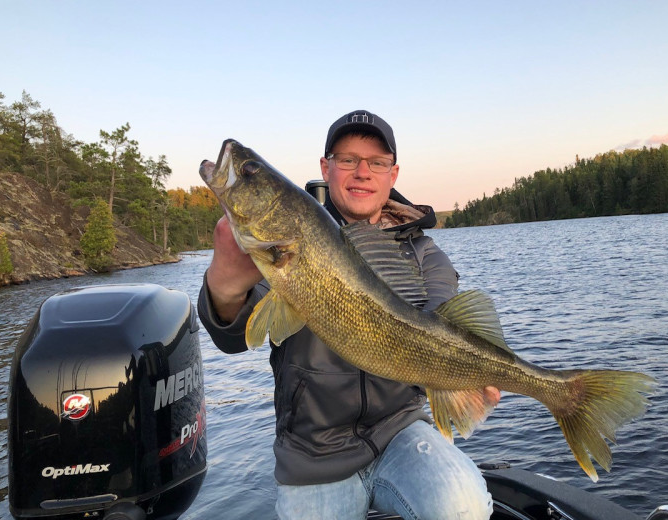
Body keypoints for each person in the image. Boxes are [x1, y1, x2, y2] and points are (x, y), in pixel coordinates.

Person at [198, 110, 500, 519]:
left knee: (462, 506)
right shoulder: (288, 246)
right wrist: (224, 287)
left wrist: (467, 380)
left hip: (402, 432)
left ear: (393, 175)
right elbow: (234, 338)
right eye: (347, 160)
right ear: (326, 168)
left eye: (376, 162)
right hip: (313, 454)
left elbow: (441, 324)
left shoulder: (425, 255)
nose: (362, 172)